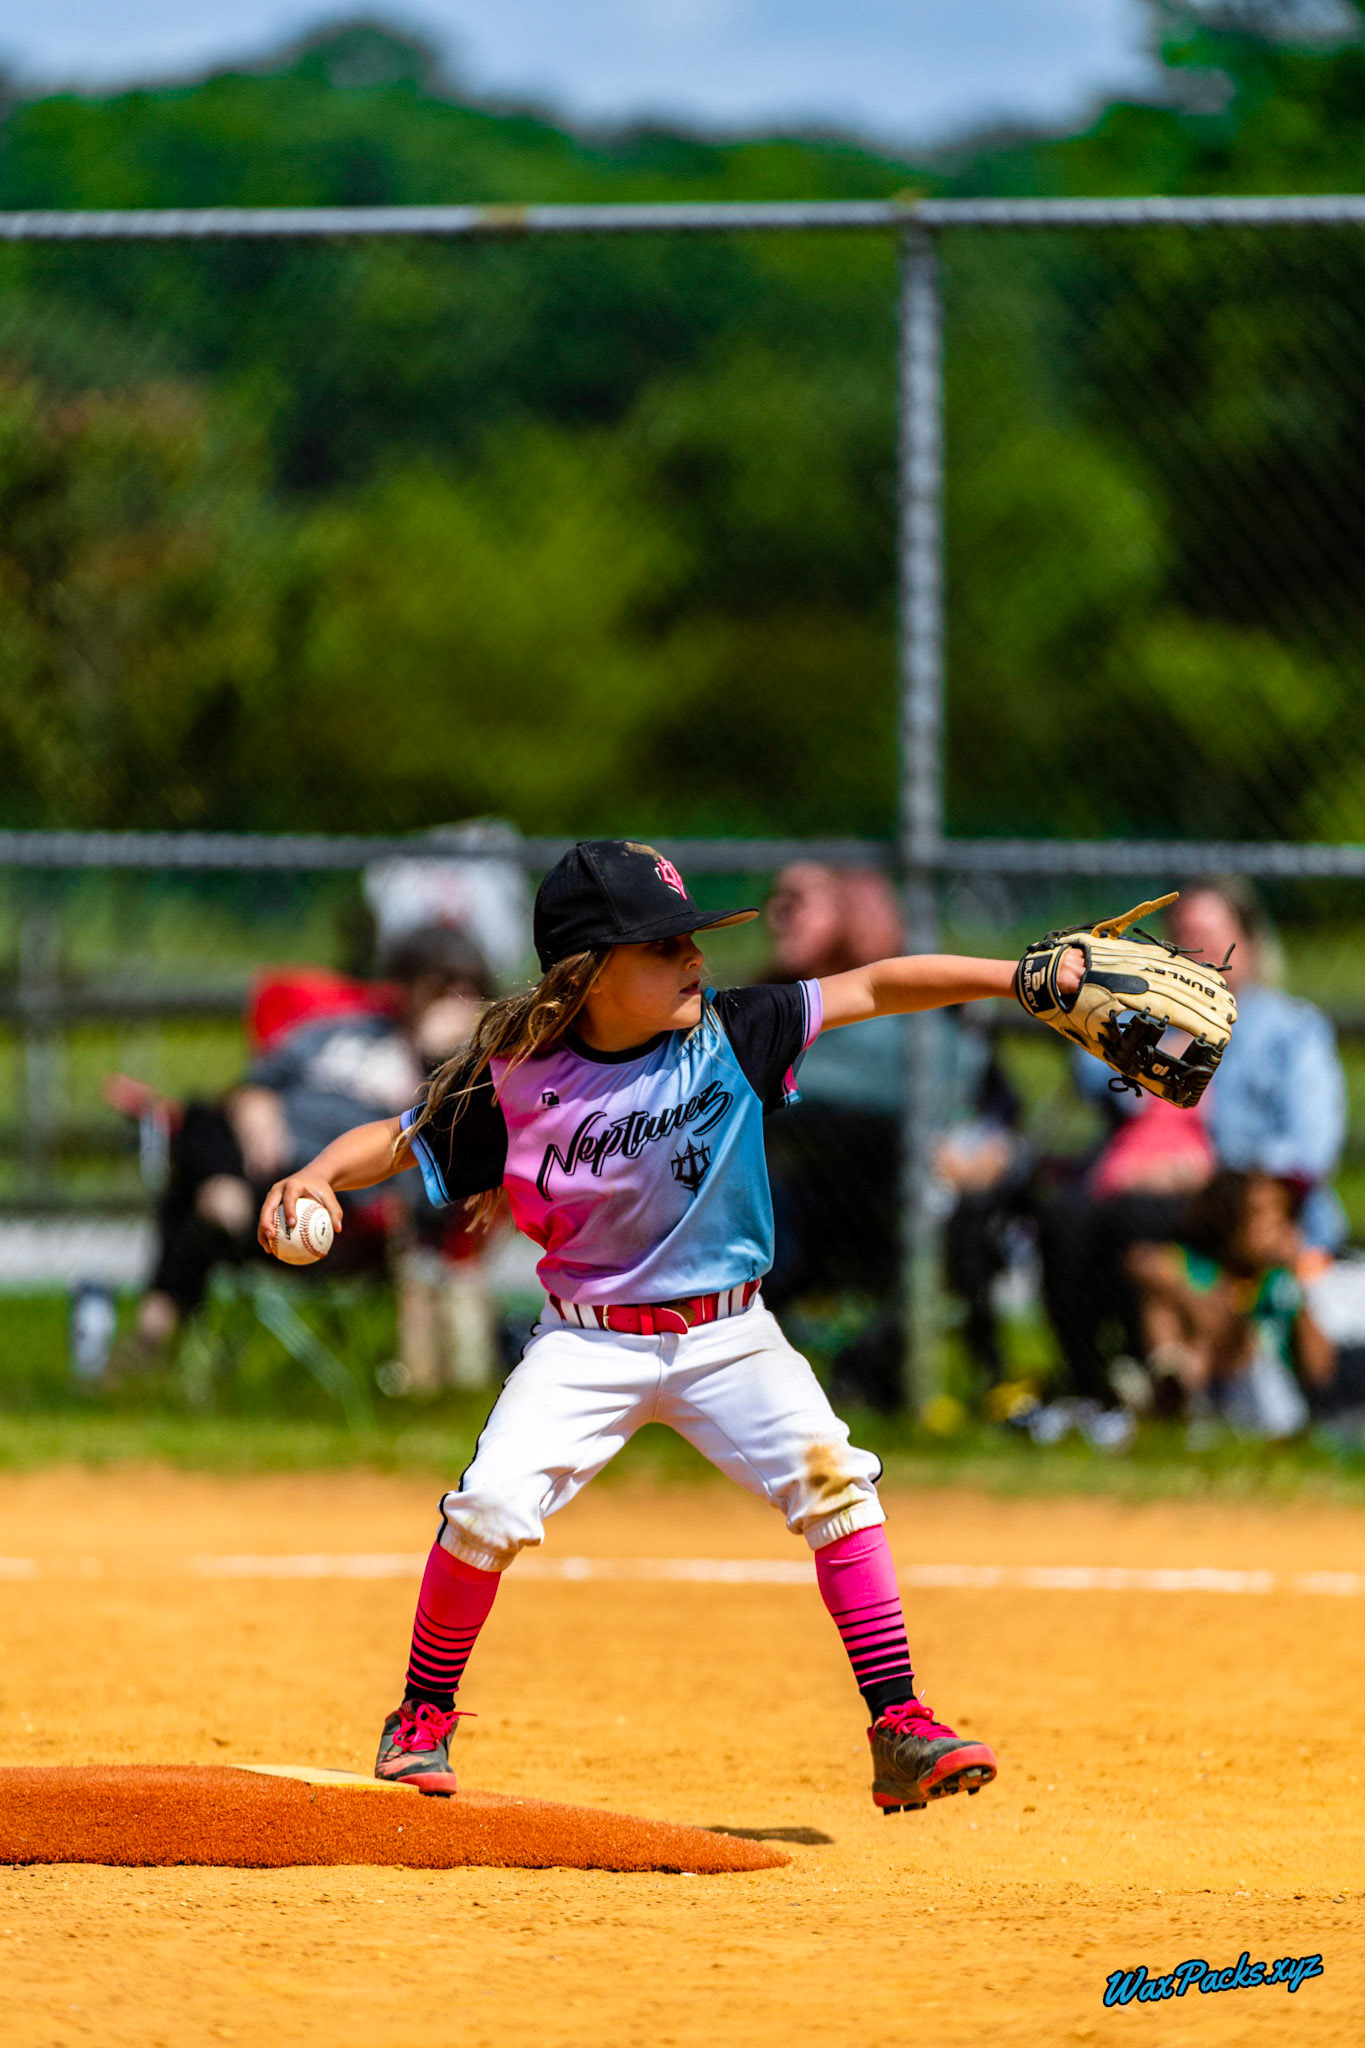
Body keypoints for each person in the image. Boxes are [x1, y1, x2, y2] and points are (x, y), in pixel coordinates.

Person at [259, 840, 1082, 1811]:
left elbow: (876, 985)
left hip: (730, 1334)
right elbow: (398, 1139)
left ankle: (898, 1723)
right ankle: (421, 1716)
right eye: (661, 946)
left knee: (837, 1486)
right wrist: (317, 1172)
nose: (693, 956)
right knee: (488, 1509)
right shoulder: (518, 1080)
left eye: (690, 937)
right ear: (589, 972)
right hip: (587, 1341)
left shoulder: (735, 1031)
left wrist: (1017, 978)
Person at [125, 925, 496, 1362]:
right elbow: (256, 1082)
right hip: (262, 1156)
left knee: (191, 1200)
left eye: (467, 991)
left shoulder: (464, 1073)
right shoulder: (342, 1032)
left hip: (341, 1198)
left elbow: (444, 1155)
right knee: (201, 1115)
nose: (453, 1002)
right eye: (439, 988)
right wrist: (254, 1103)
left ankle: (156, 1324)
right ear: (409, 987)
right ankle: (223, 1192)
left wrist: (442, 1060)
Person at [1125, 1170, 1332, 1437]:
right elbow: (1141, 1262)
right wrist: (1195, 1300)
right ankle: (1171, 1377)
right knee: (1163, 1308)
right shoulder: (1198, 1267)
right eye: (1260, 1215)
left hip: (1269, 1401)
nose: (1275, 1226)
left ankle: (1168, 1390)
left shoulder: (1279, 1281)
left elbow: (1320, 1371)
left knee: (1238, 1332)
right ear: (1229, 1220)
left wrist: (1297, 1286)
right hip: (1205, 1377)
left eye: (1282, 1215)